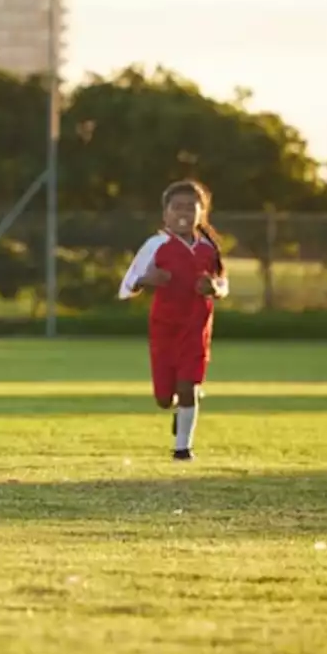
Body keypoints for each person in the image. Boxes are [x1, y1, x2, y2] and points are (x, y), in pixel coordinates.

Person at [118, 179, 229, 461]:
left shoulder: (209, 248)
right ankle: (181, 407)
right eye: (176, 207)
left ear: (201, 213)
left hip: (196, 327)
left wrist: (213, 290)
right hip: (164, 328)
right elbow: (126, 286)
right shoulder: (156, 245)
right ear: (165, 213)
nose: (182, 213)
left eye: (190, 208)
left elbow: (223, 284)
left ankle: (183, 448)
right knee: (164, 398)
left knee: (188, 386)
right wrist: (146, 280)